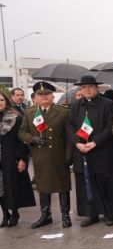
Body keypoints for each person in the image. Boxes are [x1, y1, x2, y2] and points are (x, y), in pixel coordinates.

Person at [67, 75, 113, 227]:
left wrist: (96, 142)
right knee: (86, 184)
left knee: (106, 183)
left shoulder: (108, 104)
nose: (86, 90)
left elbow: (111, 127)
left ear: (97, 88)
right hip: (82, 151)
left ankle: (110, 214)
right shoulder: (75, 106)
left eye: (90, 87)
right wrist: (77, 143)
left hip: (102, 151)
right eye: (83, 87)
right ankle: (91, 214)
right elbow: (69, 127)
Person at [18, 81, 72, 228]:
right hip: (40, 155)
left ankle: (65, 215)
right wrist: (32, 139)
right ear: (35, 96)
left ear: (52, 96)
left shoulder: (63, 112)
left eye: (46, 94)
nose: (43, 97)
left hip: (58, 155)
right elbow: (22, 132)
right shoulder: (30, 112)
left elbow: (69, 137)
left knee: (62, 186)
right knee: (43, 186)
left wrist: (69, 156)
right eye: (40, 95)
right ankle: (45, 215)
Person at [0, 92, 35, 227]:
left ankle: (14, 213)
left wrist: (22, 158)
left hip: (11, 158)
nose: (0, 102)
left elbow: (22, 141)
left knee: (11, 187)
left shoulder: (15, 117)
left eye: (2, 99)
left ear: (6, 101)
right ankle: (5, 214)